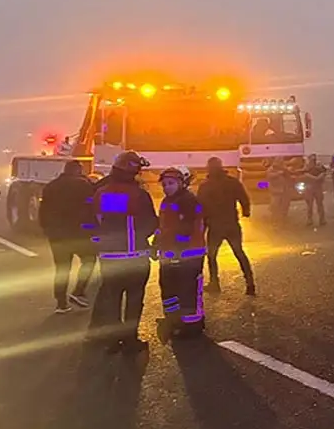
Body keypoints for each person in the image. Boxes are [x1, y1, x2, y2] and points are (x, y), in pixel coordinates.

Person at [88, 151, 158, 354]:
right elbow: (150, 223)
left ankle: (112, 341)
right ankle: (130, 340)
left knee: (112, 300)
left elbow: (95, 220)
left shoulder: (101, 193)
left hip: (109, 258)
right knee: (134, 300)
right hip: (135, 257)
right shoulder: (139, 195)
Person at [154, 166, 207, 341]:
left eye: (171, 183)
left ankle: (193, 325)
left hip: (189, 255)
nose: (166, 187)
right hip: (171, 254)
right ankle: (174, 320)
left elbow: (187, 227)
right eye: (164, 184)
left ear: (181, 183)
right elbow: (163, 227)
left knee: (188, 290)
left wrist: (177, 246)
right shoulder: (167, 201)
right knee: (168, 287)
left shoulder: (188, 200)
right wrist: (156, 244)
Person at [39, 160, 98, 313]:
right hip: (79, 234)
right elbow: (92, 206)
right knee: (89, 259)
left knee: (62, 268)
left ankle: (61, 303)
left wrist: (46, 229)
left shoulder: (51, 186)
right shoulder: (83, 185)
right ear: (78, 171)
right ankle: (78, 290)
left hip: (57, 235)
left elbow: (43, 209)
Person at [197, 157, 255, 295]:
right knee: (239, 252)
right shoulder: (232, 182)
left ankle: (214, 283)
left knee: (211, 255)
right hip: (231, 224)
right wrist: (246, 211)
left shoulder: (205, 186)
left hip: (214, 226)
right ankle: (250, 283)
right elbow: (244, 198)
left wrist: (201, 228)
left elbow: (200, 208)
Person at [302, 154, 327, 227]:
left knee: (319, 204)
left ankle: (322, 219)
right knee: (310, 205)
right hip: (310, 187)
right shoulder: (307, 167)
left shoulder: (319, 166)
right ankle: (310, 219)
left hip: (317, 187)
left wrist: (318, 177)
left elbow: (324, 172)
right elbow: (304, 174)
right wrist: (315, 178)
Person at [266, 158, 291, 224]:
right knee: (275, 206)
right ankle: (274, 222)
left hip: (284, 191)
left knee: (284, 206)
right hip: (275, 192)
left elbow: (289, 176)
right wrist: (279, 173)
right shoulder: (271, 170)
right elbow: (270, 176)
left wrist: (285, 170)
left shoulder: (284, 169)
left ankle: (282, 221)